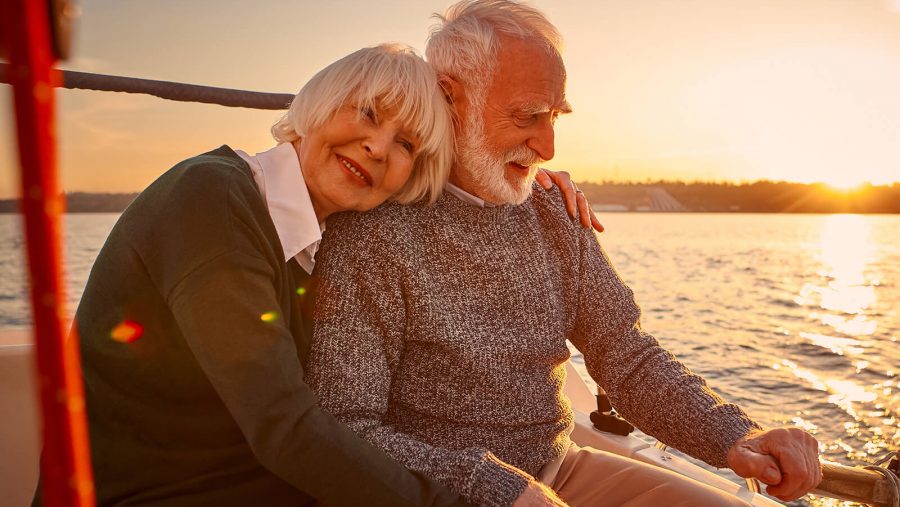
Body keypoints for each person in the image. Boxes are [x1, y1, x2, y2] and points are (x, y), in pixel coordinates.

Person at [307, 3, 823, 507]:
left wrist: (735, 438)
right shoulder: (373, 230)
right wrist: (495, 487)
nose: (549, 146)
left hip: (560, 468)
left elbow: (625, 354)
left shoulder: (552, 209)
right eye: (528, 116)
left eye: (555, 116)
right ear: (449, 98)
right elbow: (344, 424)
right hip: (436, 490)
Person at [36, 42, 593, 507]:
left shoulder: (320, 246)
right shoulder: (211, 201)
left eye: (406, 145)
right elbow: (284, 427)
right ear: (318, 104)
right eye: (369, 113)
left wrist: (524, 180)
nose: (377, 146)